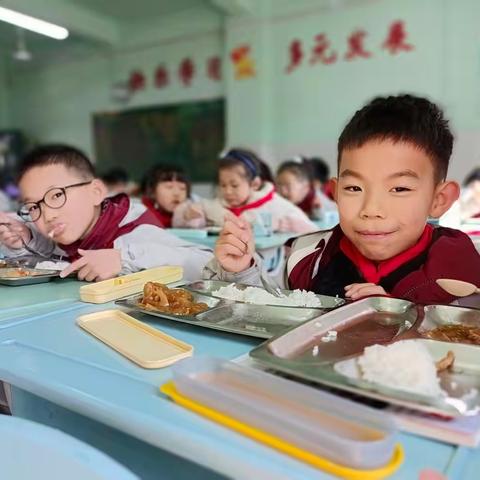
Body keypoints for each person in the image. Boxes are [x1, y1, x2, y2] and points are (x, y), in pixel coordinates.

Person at [207, 94, 480, 304]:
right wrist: (241, 271)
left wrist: (398, 317)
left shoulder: (461, 272)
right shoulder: (306, 256)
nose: (371, 210)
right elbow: (273, 307)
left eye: (399, 189)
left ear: (439, 199)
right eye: (354, 188)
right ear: (335, 192)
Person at [0, 144, 212, 281]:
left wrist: (124, 258)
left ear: (96, 192)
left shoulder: (133, 229)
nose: (48, 216)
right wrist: (25, 241)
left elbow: (207, 265)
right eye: (34, 206)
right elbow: (53, 258)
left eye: (56, 196)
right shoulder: (71, 228)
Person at [173, 148, 316, 234]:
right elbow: (184, 216)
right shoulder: (215, 205)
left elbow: (312, 233)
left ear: (254, 183)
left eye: (234, 185)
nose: (228, 191)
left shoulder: (276, 206)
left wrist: (288, 227)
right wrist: (191, 217)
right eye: (223, 185)